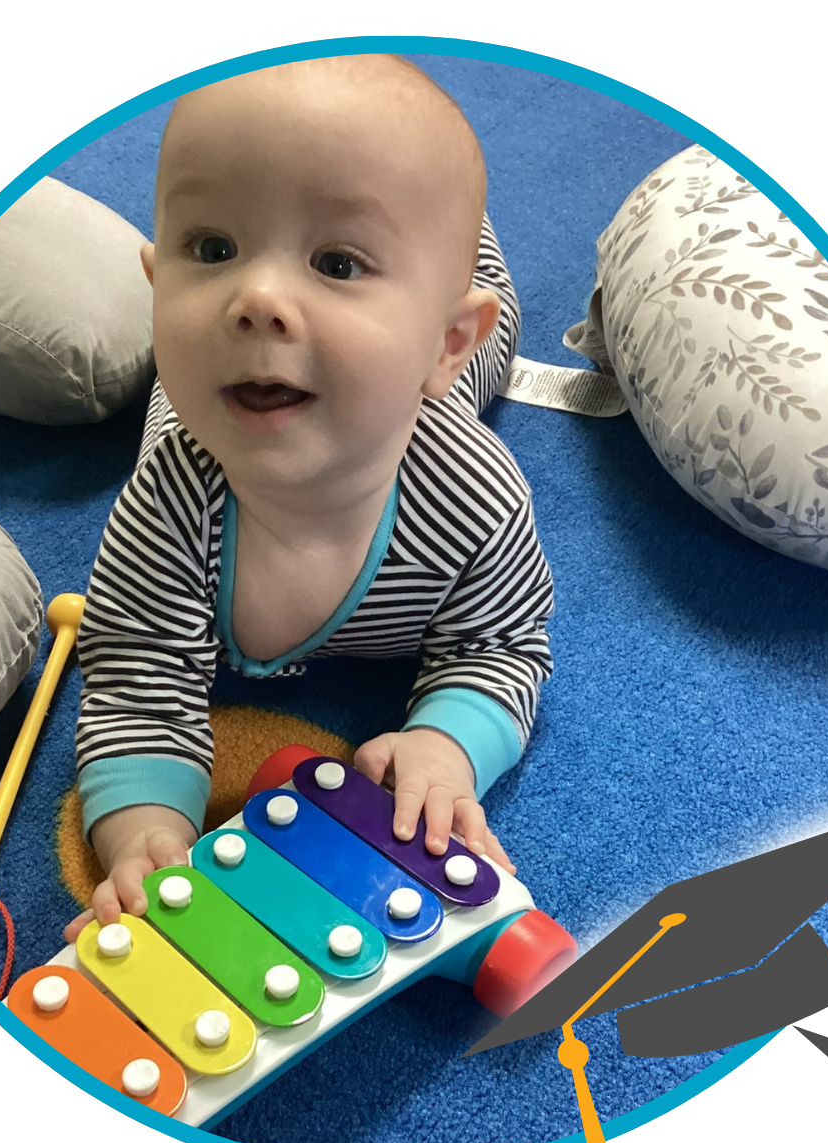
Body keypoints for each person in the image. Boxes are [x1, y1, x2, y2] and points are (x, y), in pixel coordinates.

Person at [64, 55, 554, 943]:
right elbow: (136, 688)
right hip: (229, 397)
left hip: (425, 396)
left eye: (336, 260)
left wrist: (447, 742)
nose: (256, 298)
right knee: (265, 360)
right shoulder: (168, 508)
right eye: (211, 250)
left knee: (485, 340)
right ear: (153, 280)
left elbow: (502, 643)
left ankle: (464, 253)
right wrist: (145, 834)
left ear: (443, 339)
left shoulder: (474, 497)